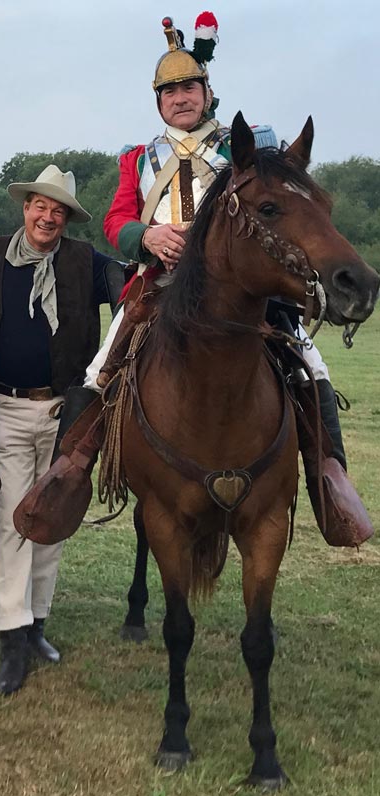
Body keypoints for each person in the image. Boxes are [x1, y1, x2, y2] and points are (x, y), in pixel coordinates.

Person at [53, 12, 362, 545]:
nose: (180, 97)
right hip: (162, 284)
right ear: (158, 102)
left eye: (189, 86)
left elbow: (280, 202)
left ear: (206, 91)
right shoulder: (137, 158)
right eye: (169, 91)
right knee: (100, 368)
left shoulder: (248, 145)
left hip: (242, 287)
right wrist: (145, 238)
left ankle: (328, 477)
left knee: (312, 365)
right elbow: (115, 220)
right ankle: (69, 473)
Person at [0, 165, 114, 694]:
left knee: (52, 521)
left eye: (59, 211)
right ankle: (12, 640)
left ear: (66, 220)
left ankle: (37, 625)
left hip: (67, 415)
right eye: (41, 206)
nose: (48, 217)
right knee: (15, 521)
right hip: (7, 412)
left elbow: (136, 287)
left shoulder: (86, 261)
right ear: (26, 208)